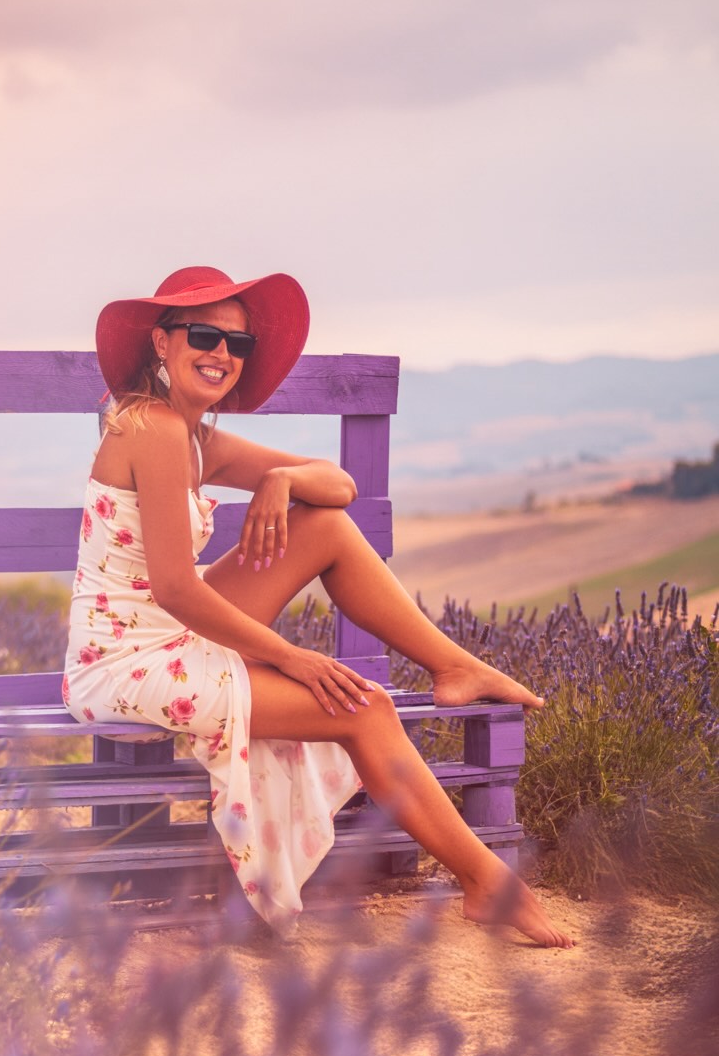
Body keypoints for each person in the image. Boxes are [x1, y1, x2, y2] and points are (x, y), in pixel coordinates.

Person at [63, 267, 574, 948]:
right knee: (365, 708)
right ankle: (486, 881)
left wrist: (281, 479)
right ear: (162, 342)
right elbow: (177, 590)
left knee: (322, 525)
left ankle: (454, 666)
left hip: (167, 633)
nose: (220, 354)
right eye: (204, 336)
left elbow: (339, 486)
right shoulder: (150, 428)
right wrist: (294, 660)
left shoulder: (193, 438)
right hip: (126, 660)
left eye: (236, 345)